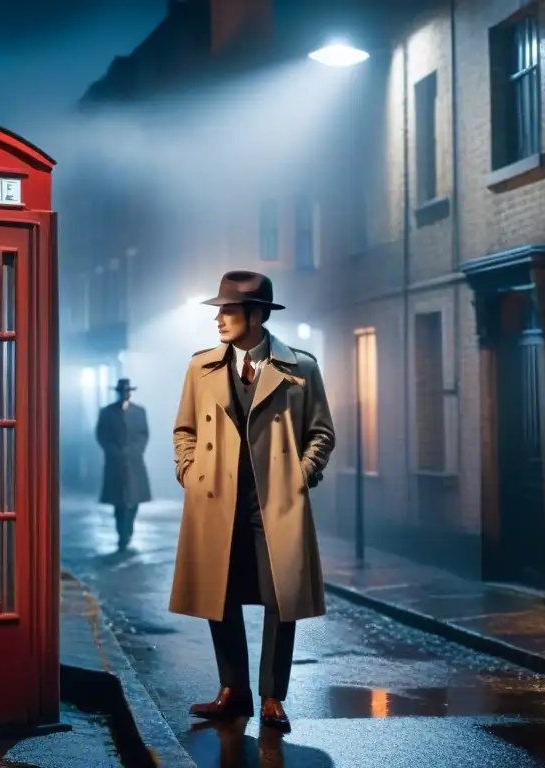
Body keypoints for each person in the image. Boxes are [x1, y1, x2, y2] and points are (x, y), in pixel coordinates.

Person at [169, 270, 336, 732]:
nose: (219, 319)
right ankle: (233, 689)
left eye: (229, 310)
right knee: (218, 596)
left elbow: (321, 432)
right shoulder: (200, 367)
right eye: (219, 310)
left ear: (257, 315)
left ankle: (271, 695)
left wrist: (299, 477)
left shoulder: (301, 368)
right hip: (215, 499)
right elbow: (184, 430)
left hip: (275, 503)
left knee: (281, 599)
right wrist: (188, 470)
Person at [96, 378, 152, 550]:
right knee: (119, 502)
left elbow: (144, 434)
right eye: (121, 391)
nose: (124, 394)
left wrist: (136, 450)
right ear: (118, 393)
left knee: (134, 501)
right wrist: (114, 452)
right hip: (115, 464)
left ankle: (128, 531)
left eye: (127, 391)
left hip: (134, 462)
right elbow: (101, 435)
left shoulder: (139, 411)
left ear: (130, 393)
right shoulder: (107, 412)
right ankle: (122, 534)